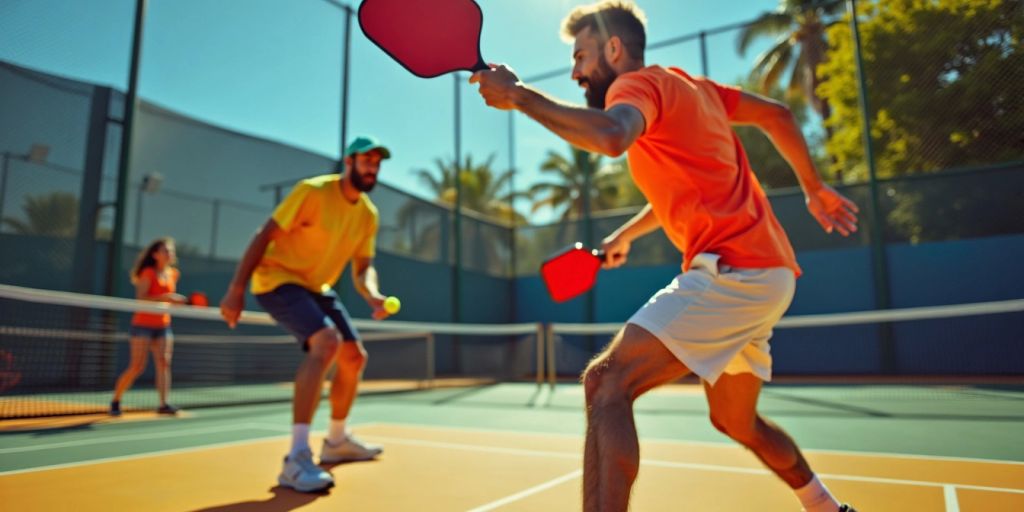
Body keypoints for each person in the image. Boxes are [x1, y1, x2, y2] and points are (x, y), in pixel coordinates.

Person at [470, 2, 860, 511]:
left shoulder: (631, 88)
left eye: (581, 56)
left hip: (733, 271)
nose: (574, 71)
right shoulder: (694, 89)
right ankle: (829, 508)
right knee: (736, 421)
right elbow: (777, 116)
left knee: (606, 382)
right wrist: (812, 187)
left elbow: (611, 137)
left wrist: (519, 97)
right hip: (771, 272)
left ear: (614, 49)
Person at [220, 136, 394, 493]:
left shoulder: (367, 216)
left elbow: (363, 269)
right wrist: (236, 289)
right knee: (326, 342)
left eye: (377, 162)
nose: (372, 166)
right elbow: (264, 234)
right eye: (366, 159)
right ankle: (296, 458)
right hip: (276, 279)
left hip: (317, 286)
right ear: (349, 162)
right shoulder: (312, 191)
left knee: (354, 357)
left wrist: (372, 294)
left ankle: (336, 441)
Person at [111, 237, 185, 416]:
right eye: (166, 250)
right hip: (142, 325)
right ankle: (116, 400)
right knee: (137, 366)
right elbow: (141, 298)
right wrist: (167, 297)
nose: (170, 254)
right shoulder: (148, 273)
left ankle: (163, 403)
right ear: (155, 254)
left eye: (171, 251)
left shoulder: (173, 273)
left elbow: (168, 301)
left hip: (163, 325)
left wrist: (176, 302)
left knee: (164, 362)